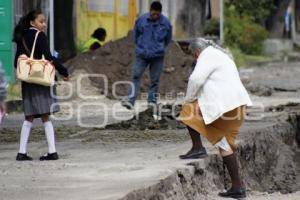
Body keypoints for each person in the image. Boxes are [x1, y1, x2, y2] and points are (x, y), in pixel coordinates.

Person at [179, 38, 252, 198]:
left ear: (197, 52)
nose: (195, 59)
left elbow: (195, 79)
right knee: (225, 145)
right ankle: (237, 188)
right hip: (238, 105)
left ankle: (197, 148)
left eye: (194, 56)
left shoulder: (207, 56)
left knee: (187, 110)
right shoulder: (222, 56)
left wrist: (188, 99)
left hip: (226, 106)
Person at [13, 10, 69, 161]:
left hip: (27, 81)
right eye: (41, 21)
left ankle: (21, 152)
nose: (44, 25)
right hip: (41, 80)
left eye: (44, 22)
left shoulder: (22, 37)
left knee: (28, 117)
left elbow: (15, 63)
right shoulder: (40, 36)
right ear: (33, 23)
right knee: (45, 116)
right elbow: (49, 58)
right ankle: (52, 151)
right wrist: (63, 71)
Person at [122, 1, 172, 109]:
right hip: (142, 55)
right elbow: (136, 36)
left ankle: (151, 102)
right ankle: (130, 101)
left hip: (158, 57)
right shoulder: (141, 20)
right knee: (136, 76)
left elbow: (168, 40)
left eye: (157, 14)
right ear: (150, 11)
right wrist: (141, 47)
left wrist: (159, 48)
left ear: (160, 12)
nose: (155, 16)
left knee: (155, 80)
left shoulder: (166, 23)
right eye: (153, 14)